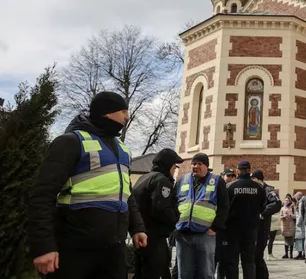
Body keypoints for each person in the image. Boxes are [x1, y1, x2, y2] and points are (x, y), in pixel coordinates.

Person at [27, 92, 147, 279]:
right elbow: (42, 196)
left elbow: (125, 193)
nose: (127, 116)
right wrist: (44, 247)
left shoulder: (123, 149)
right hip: (74, 249)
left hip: (113, 250)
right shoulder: (70, 142)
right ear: (106, 112)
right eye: (123, 110)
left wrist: (137, 227)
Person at [174, 153, 229, 279]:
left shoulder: (216, 181)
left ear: (206, 166)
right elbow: (173, 203)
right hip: (183, 234)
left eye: (199, 164)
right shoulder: (182, 180)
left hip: (205, 234)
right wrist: (175, 226)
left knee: (205, 273)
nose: (195, 166)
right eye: (193, 163)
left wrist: (215, 227)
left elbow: (224, 206)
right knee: (184, 273)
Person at [132, 148, 184, 279]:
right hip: (154, 237)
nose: (174, 170)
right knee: (154, 272)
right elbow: (162, 209)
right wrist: (175, 219)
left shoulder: (144, 178)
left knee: (140, 272)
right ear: (168, 165)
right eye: (174, 166)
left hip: (140, 234)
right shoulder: (162, 181)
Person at [226, 161, 267, 279]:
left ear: (237, 170)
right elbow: (262, 206)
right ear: (249, 170)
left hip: (233, 229)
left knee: (232, 261)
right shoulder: (258, 188)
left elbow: (225, 207)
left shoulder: (230, 187)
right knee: (249, 261)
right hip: (251, 229)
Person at [250, 169, 281, 279]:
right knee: (254, 256)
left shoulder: (268, 190)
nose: (251, 181)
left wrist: (262, 213)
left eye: (253, 178)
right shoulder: (254, 189)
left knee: (257, 255)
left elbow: (277, 203)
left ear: (258, 179)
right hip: (252, 228)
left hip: (262, 228)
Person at [215, 168, 237, 279]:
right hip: (218, 228)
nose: (230, 178)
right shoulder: (218, 188)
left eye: (232, 176)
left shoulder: (233, 190)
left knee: (225, 259)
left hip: (229, 229)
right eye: (228, 176)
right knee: (215, 257)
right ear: (223, 176)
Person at [280, 194, 297, 259]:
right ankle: (286, 254)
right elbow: (280, 216)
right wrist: (283, 216)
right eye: (285, 200)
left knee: (291, 240)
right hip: (285, 225)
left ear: (290, 201)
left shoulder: (293, 207)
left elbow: (296, 216)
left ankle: (291, 254)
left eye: (287, 200)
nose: (286, 202)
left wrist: (291, 215)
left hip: (291, 225)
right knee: (286, 240)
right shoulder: (282, 208)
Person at [294, 192, 306, 260]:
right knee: (299, 239)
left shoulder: (301, 202)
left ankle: (303, 254)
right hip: (300, 223)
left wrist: (298, 223)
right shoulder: (300, 202)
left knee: (302, 239)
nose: (295, 198)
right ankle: (300, 253)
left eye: (296, 196)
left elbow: (301, 214)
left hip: (301, 224)